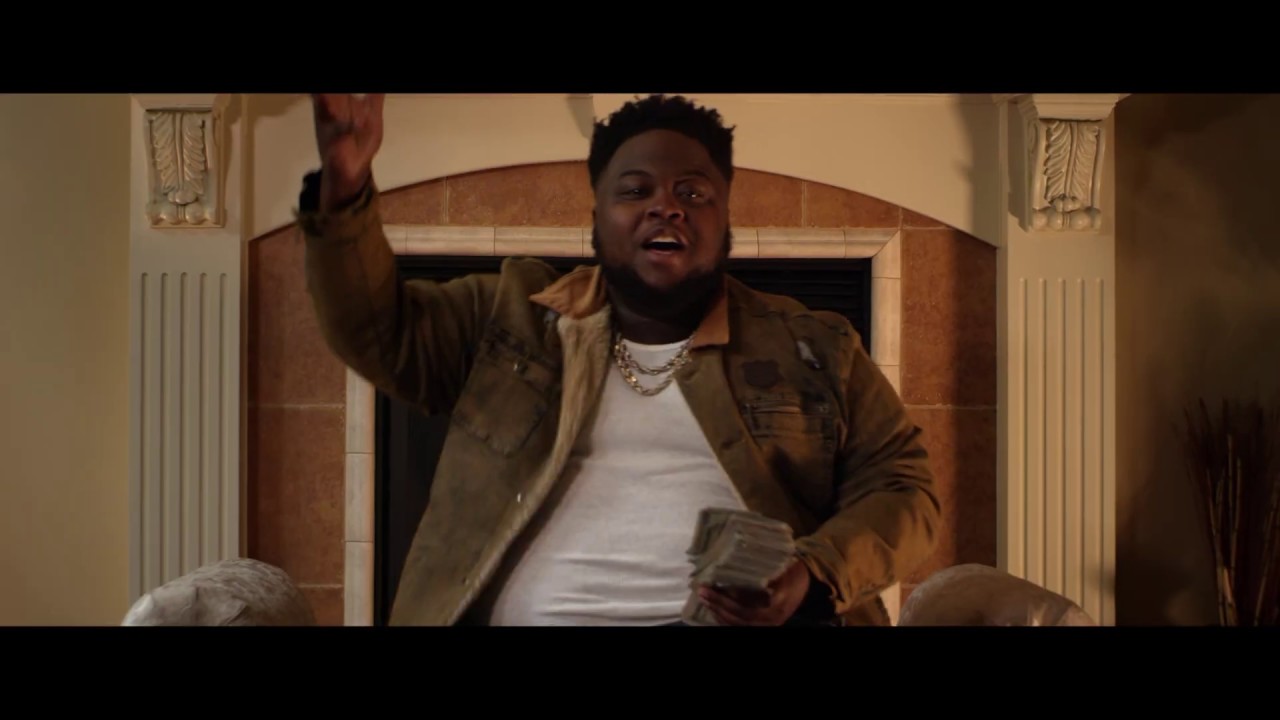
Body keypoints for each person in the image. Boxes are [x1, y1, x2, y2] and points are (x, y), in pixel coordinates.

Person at [295, 92, 940, 626]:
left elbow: (903, 488)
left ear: (725, 219)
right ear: (597, 217)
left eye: (694, 193)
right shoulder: (507, 316)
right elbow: (375, 332)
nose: (666, 206)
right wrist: (345, 188)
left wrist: (814, 571)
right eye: (635, 190)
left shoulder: (816, 346)